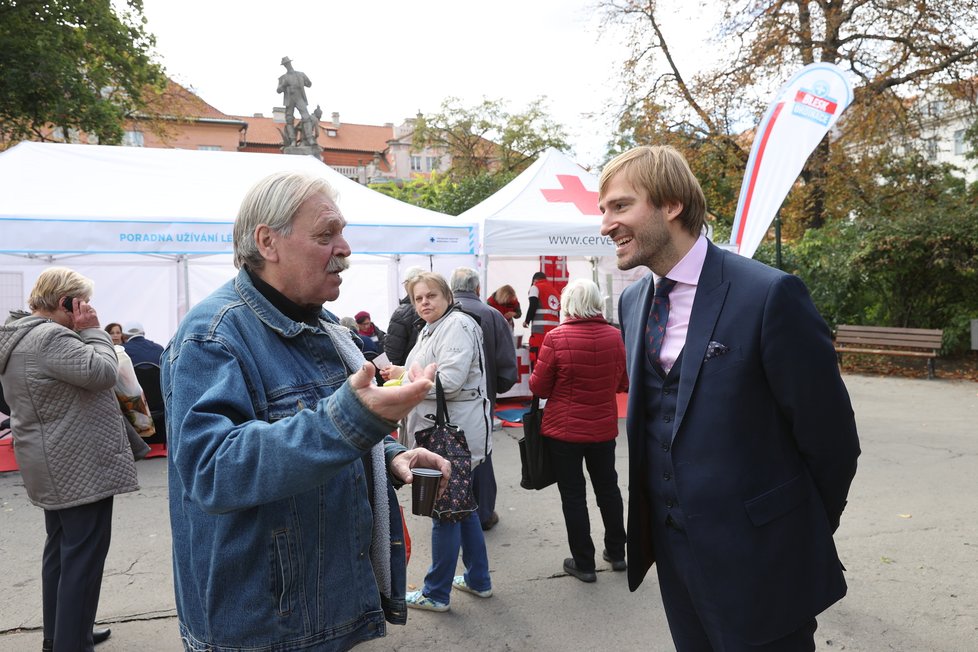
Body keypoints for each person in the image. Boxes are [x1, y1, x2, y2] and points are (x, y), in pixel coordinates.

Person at [161, 171, 450, 651]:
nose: (345, 248)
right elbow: (211, 470)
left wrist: (387, 455)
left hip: (321, 606)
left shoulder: (322, 325)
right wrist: (354, 419)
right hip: (264, 627)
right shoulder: (212, 336)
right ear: (268, 242)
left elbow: (325, 430)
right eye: (325, 235)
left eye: (341, 232)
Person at [598, 145, 860, 650]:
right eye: (603, 210)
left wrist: (791, 531)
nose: (606, 224)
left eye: (620, 206)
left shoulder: (768, 294)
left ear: (671, 204)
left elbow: (832, 441)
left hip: (765, 562)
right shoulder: (633, 302)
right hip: (675, 556)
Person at [0, 267, 138, 651]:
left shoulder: (20, 335)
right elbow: (103, 372)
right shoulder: (51, 338)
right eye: (84, 302)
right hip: (77, 463)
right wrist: (93, 330)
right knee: (83, 557)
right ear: (67, 303)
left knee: (61, 551)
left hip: (51, 460)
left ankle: (61, 633)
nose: (90, 309)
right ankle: (72, 643)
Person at [380, 272, 493, 613]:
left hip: (450, 435)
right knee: (462, 506)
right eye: (418, 298)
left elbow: (452, 381)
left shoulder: (456, 325)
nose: (425, 302)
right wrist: (401, 372)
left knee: (443, 509)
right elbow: (426, 372)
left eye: (431, 295)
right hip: (447, 432)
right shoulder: (434, 327)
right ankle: (479, 580)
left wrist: (405, 385)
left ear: (446, 295)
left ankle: (436, 592)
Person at [528, 278, 629, 583]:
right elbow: (623, 383)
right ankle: (617, 552)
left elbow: (539, 386)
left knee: (573, 495)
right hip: (602, 428)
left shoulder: (557, 338)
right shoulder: (615, 337)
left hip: (564, 431)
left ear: (568, 303)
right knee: (608, 489)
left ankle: (584, 562)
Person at [450, 267, 517, 531]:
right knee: (482, 455)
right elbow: (507, 366)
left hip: (446, 401)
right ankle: (484, 512)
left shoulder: (441, 314)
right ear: (478, 289)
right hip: (482, 399)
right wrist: (494, 389)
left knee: (448, 453)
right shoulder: (493, 316)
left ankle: (453, 508)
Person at [384, 266, 425, 366]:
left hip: (408, 372)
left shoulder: (401, 313)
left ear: (407, 284)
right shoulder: (436, 308)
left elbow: (393, 353)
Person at [522, 271, 560, 367]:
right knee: (552, 362)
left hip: (540, 333)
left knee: (538, 362)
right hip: (555, 333)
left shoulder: (535, 287)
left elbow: (533, 305)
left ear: (534, 280)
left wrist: (526, 321)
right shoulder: (554, 291)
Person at [276, 56, 312, 144]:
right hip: (289, 99)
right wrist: (283, 84)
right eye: (285, 64)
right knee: (289, 119)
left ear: (290, 63)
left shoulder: (300, 74)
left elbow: (309, 84)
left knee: (306, 116)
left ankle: (309, 138)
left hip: (299, 97)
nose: (287, 65)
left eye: (287, 63)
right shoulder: (282, 78)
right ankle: (292, 140)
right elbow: (278, 90)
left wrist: (305, 81)